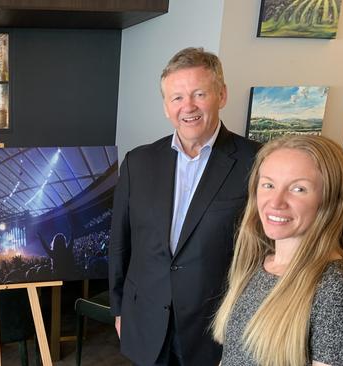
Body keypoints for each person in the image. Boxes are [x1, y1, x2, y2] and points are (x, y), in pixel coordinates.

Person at [108, 47, 260, 365]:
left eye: (199, 94)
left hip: (213, 328)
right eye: (176, 98)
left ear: (222, 94)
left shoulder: (256, 162)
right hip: (145, 321)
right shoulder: (138, 163)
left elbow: (263, 252)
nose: (187, 107)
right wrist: (119, 307)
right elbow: (120, 245)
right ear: (166, 106)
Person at [212, 135, 343, 366]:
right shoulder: (259, 263)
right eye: (269, 185)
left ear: (331, 199)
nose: (276, 202)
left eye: (298, 188)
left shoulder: (338, 289)